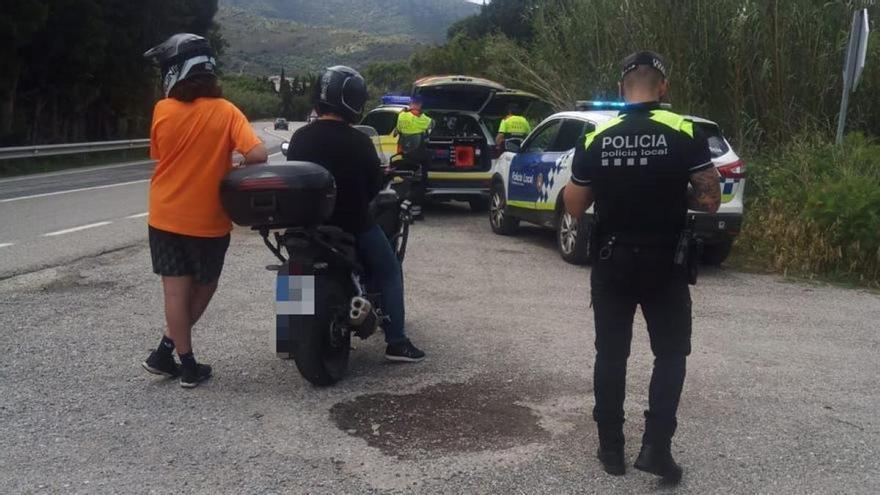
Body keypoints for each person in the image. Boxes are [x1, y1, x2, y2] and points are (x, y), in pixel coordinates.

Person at [563, 51, 721, 482]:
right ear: (663, 87)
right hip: (664, 263)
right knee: (670, 353)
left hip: (612, 261)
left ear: (621, 90)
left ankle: (611, 449)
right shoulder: (684, 130)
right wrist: (671, 195)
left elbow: (575, 207)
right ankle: (656, 448)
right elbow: (710, 199)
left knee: (611, 355)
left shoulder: (599, 134)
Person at [141, 33, 268, 388]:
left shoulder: (162, 110)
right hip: (209, 220)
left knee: (174, 293)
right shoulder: (227, 111)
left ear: (175, 73)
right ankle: (180, 358)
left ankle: (177, 357)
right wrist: (237, 166)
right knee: (205, 286)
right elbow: (257, 154)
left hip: (164, 215)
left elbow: (160, 156)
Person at [286, 66, 425, 363]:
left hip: (308, 226)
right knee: (389, 270)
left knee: (294, 268)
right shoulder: (359, 142)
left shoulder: (300, 138)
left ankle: (288, 339)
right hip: (353, 225)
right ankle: (397, 342)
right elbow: (374, 187)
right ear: (352, 100)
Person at [393, 95, 433, 219]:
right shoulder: (423, 118)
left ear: (411, 103)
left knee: (408, 181)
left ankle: (410, 209)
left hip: (405, 155)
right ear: (420, 105)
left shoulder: (401, 116)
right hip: (419, 156)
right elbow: (432, 124)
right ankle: (413, 208)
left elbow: (398, 130)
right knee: (421, 183)